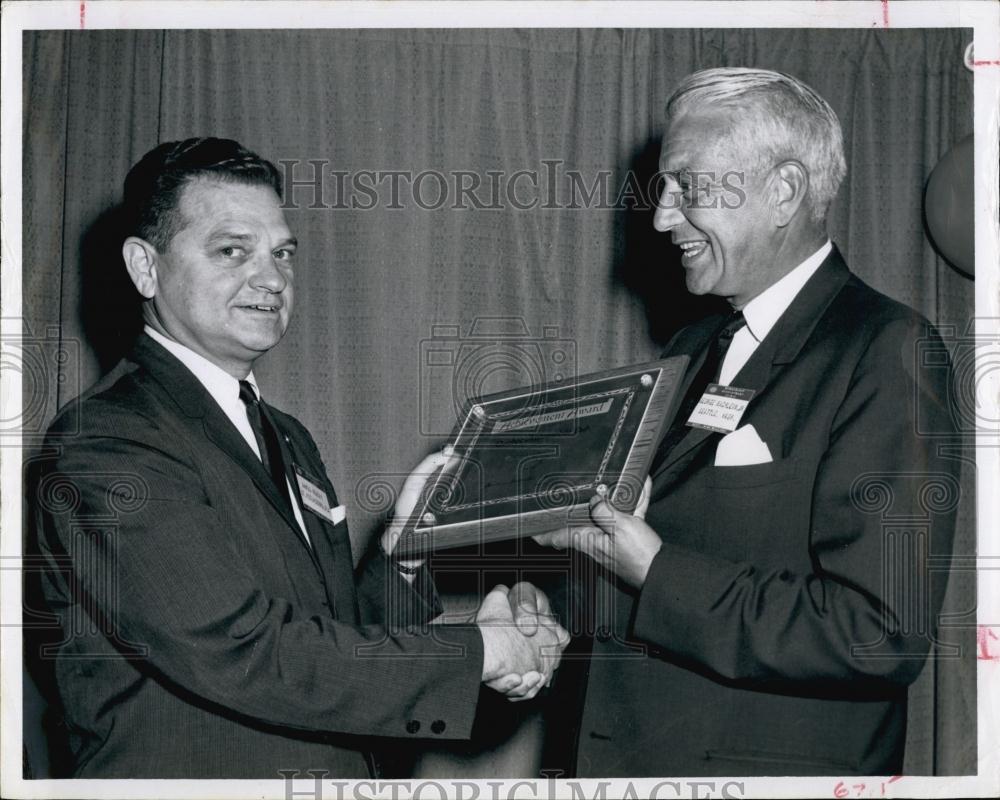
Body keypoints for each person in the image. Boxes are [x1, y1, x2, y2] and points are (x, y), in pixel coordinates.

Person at [28, 138, 567, 779]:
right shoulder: (108, 439)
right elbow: (241, 650)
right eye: (233, 251)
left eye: (282, 253)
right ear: (145, 267)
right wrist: (476, 654)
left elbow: (330, 636)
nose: (273, 278)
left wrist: (403, 553)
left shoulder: (285, 435)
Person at [534, 68, 959, 776]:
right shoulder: (695, 348)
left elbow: (878, 635)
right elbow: (675, 556)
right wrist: (549, 598)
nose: (663, 217)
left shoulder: (889, 351)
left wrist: (655, 570)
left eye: (688, 188)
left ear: (785, 191)